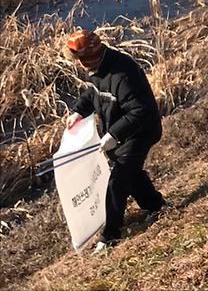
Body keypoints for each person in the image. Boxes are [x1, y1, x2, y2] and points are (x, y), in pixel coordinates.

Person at [63, 29, 165, 254]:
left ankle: (110, 235)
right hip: (121, 132)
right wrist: (79, 111)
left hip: (140, 131)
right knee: (132, 173)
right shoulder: (97, 68)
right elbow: (93, 92)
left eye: (80, 60)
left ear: (88, 58)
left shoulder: (123, 73)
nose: (79, 65)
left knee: (117, 181)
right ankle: (155, 206)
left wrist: (114, 134)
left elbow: (140, 110)